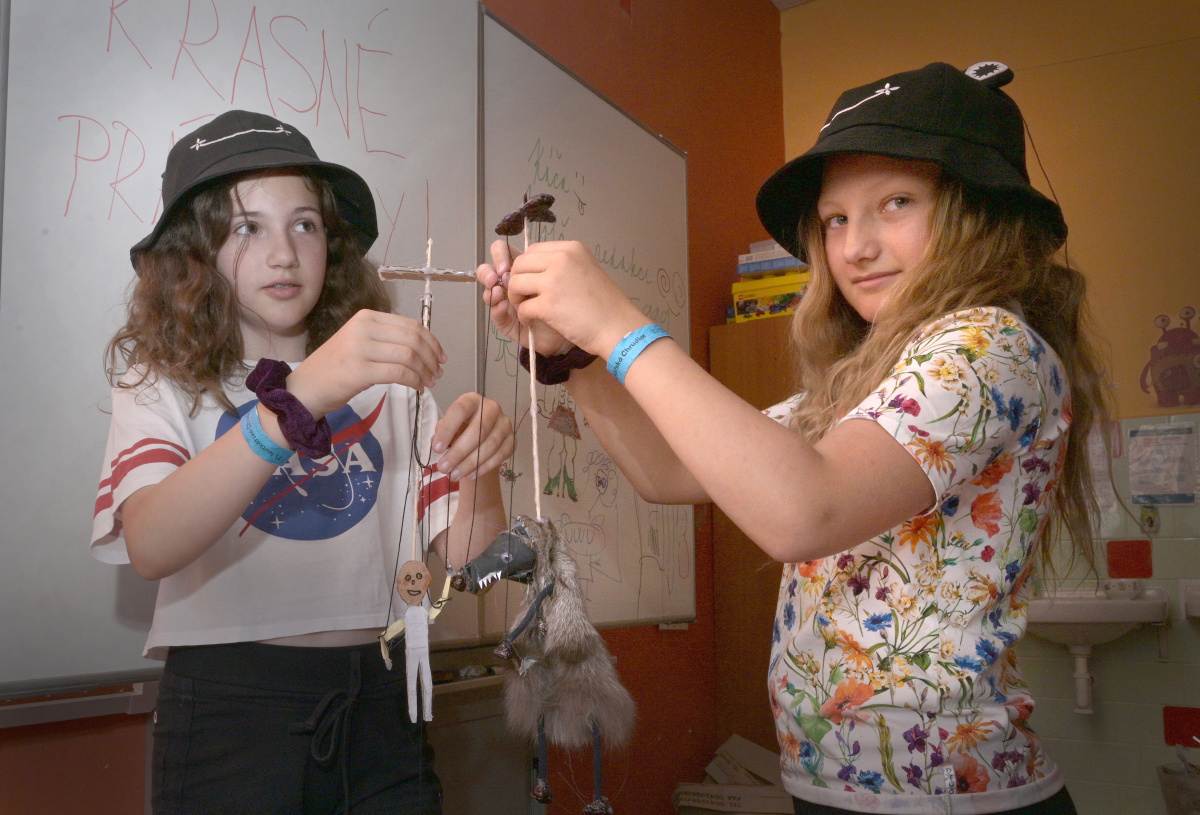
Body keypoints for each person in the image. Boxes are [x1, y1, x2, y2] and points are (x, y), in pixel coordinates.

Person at [477, 61, 1110, 814]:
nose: (856, 247)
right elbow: (669, 468)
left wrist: (617, 324)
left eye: (896, 203)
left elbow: (802, 509)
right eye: (835, 219)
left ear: (979, 216)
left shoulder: (987, 345)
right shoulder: (871, 378)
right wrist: (570, 356)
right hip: (838, 790)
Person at [92, 109, 513, 814]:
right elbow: (151, 544)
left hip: (383, 702)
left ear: (332, 245)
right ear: (195, 252)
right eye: (246, 227)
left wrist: (482, 465)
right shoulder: (160, 377)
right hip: (230, 709)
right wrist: (302, 395)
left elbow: (474, 559)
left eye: (306, 224)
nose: (284, 253)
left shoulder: (389, 383)